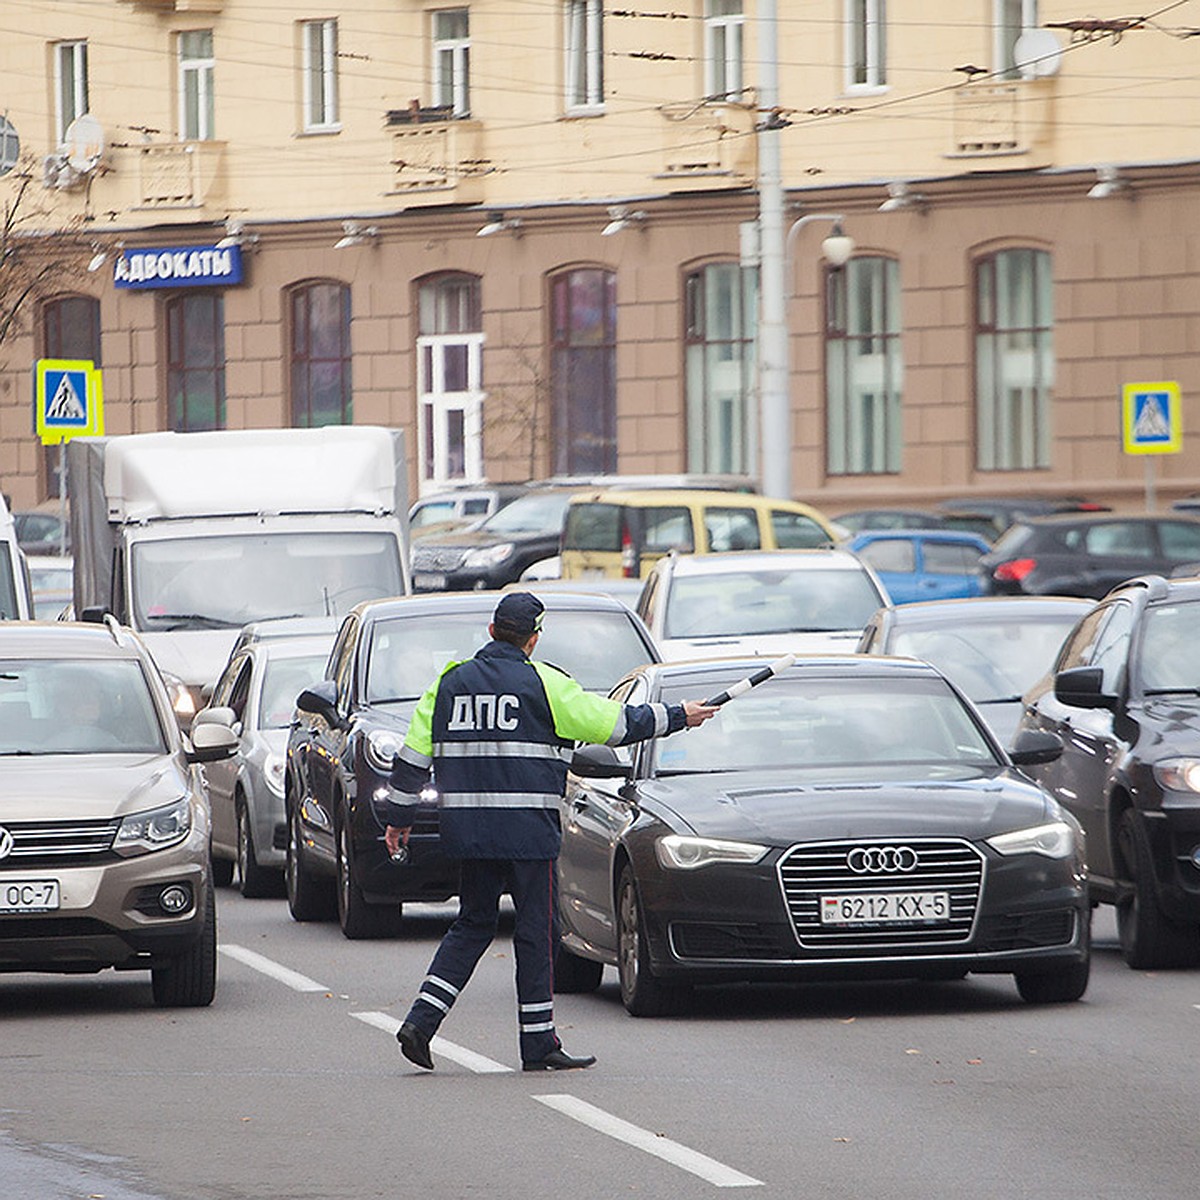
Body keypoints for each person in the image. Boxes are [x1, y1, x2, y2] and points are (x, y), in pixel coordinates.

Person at [383, 591, 717, 1073]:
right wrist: (679, 716)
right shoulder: (546, 684)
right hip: (527, 838)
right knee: (537, 934)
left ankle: (421, 1021)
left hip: (471, 835)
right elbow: (614, 725)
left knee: (472, 926)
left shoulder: (448, 683)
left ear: (493, 631)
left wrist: (399, 818)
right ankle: (538, 1042)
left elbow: (413, 756)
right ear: (533, 639)